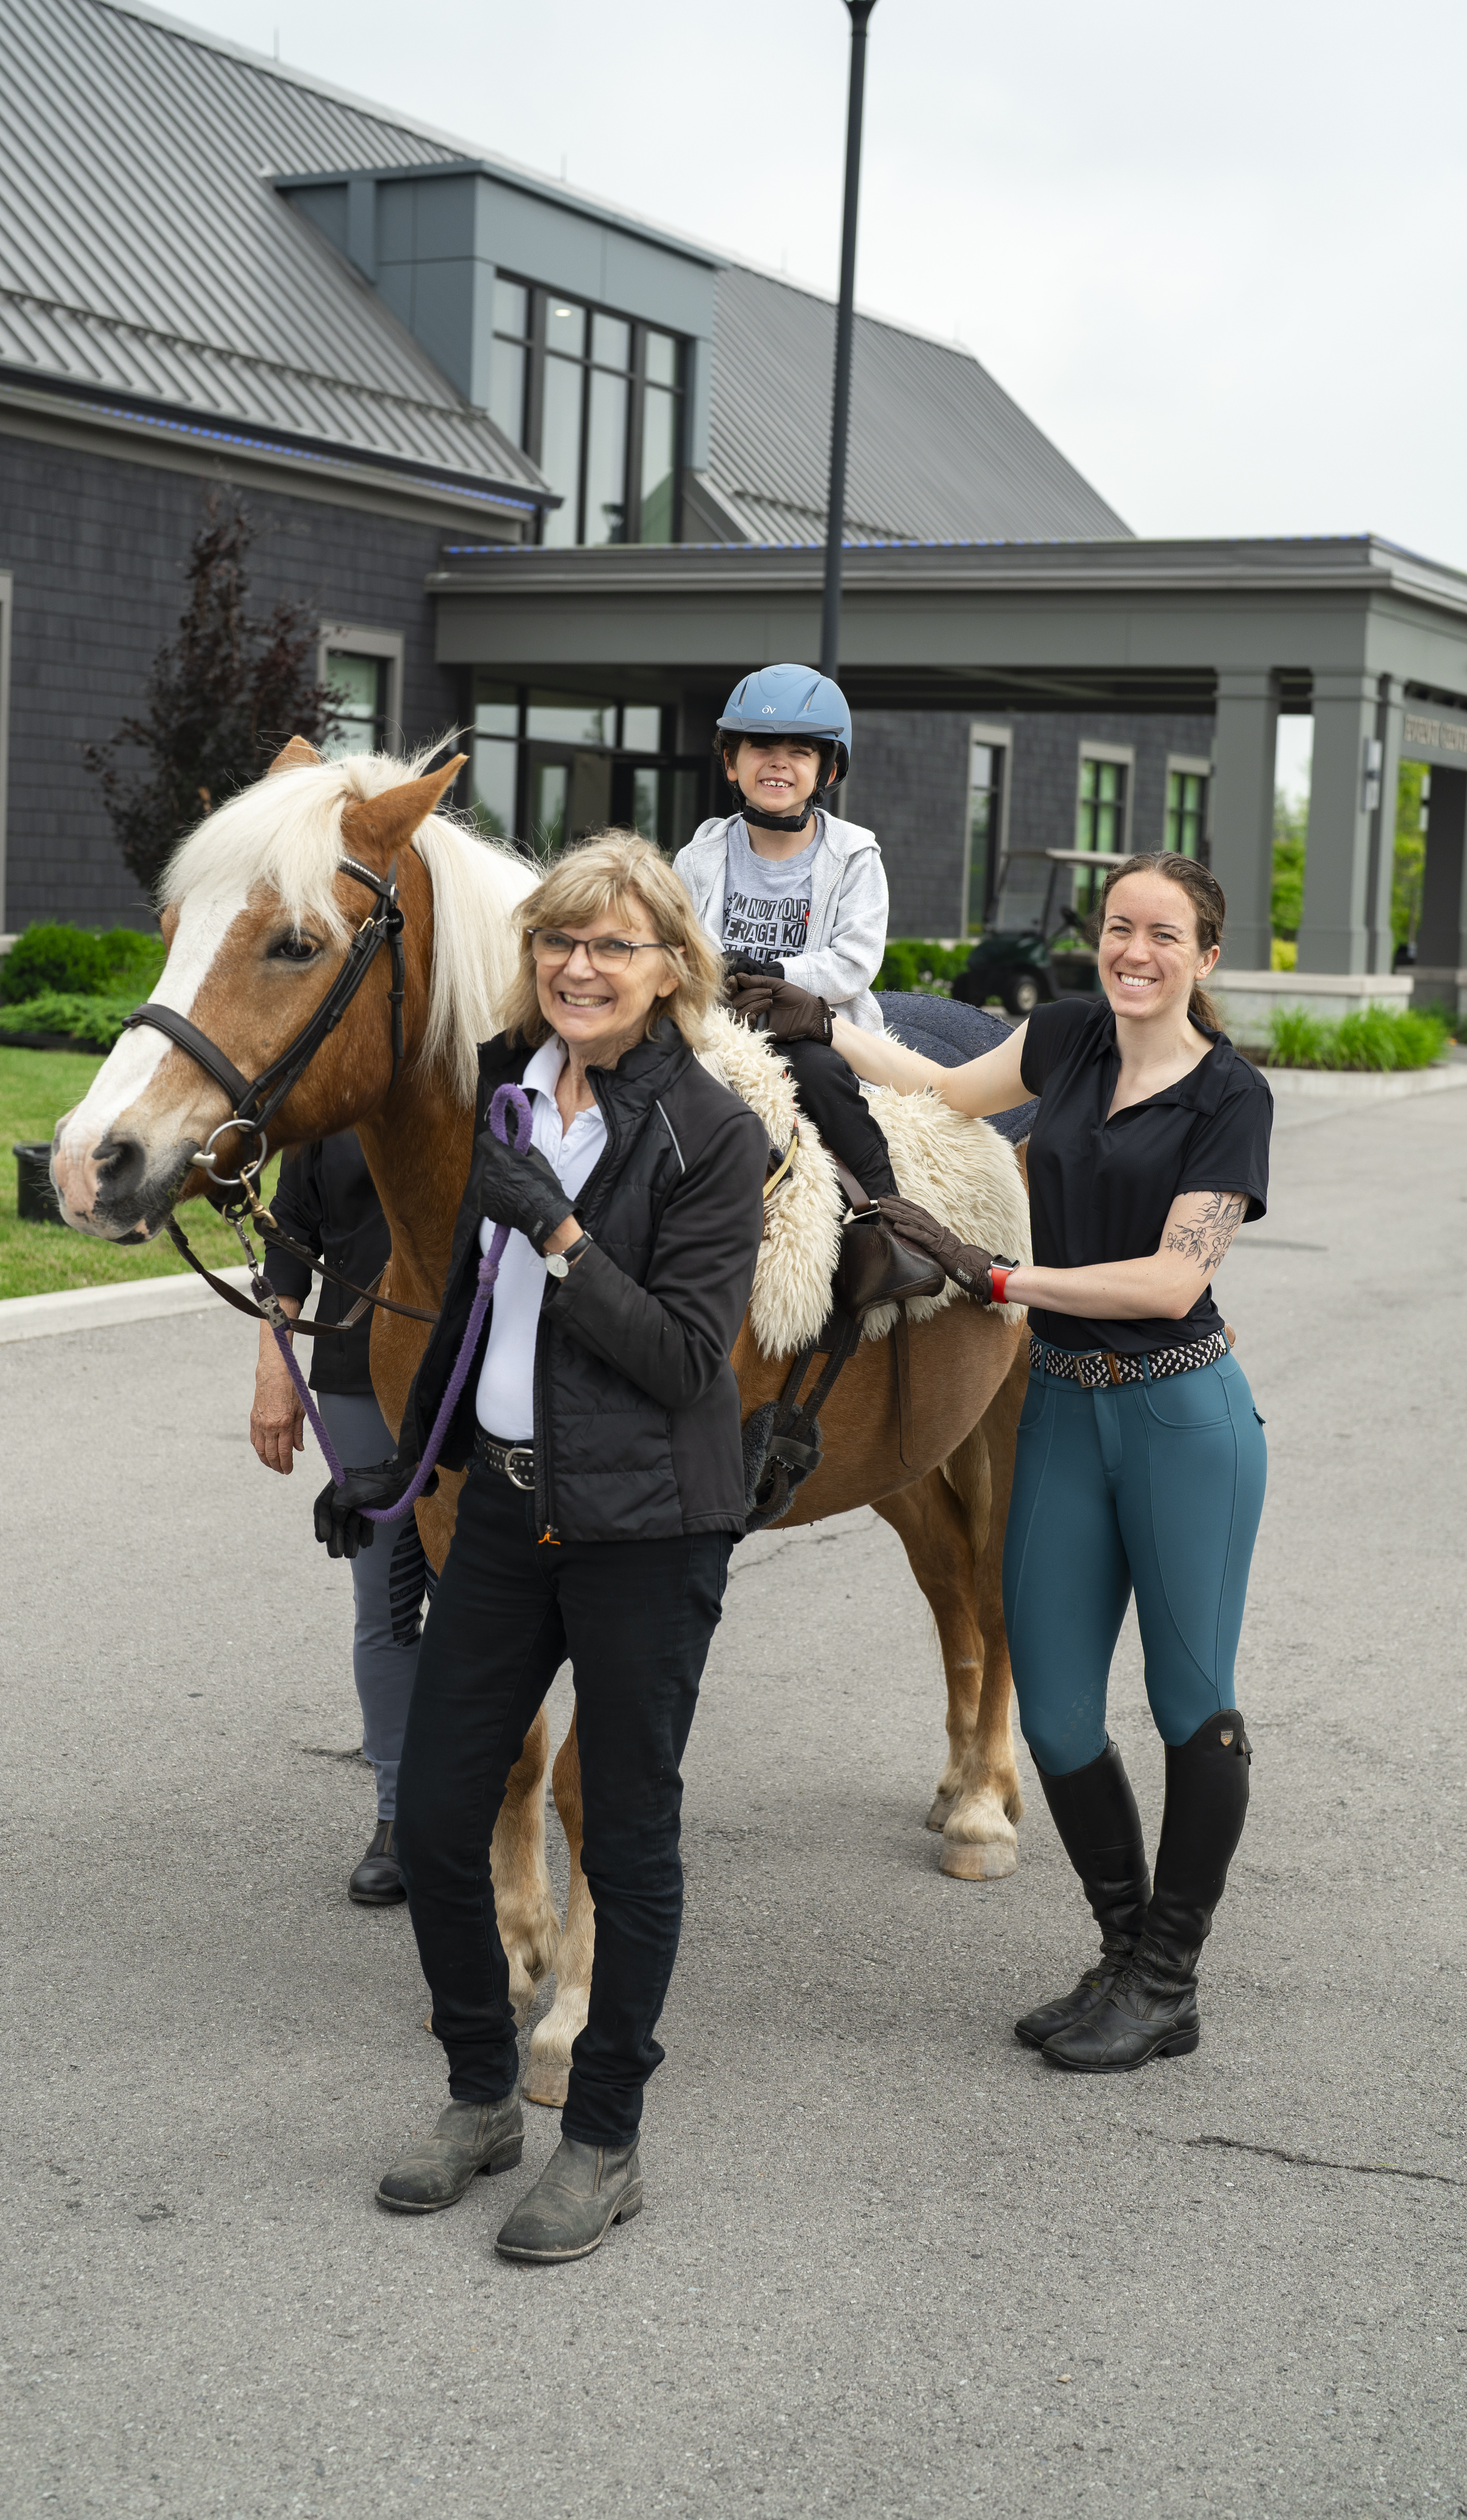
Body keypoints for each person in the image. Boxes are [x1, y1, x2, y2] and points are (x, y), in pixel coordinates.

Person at [313, 829, 766, 2263]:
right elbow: (465, 1303)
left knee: (625, 1845)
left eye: (613, 945)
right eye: (561, 941)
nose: (580, 965)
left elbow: (691, 1360)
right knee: (443, 1818)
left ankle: (604, 2141)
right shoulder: (510, 1089)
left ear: (671, 971)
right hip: (505, 1511)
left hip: (647, 1532)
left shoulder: (711, 1132)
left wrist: (565, 1236)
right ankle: (476, 2097)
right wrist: (407, 1463)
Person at [799, 852, 1271, 2073]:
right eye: (1120, 928)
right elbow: (947, 1090)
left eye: (1164, 935)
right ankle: (1124, 1958)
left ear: (1204, 958)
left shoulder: (1230, 1098)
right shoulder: (1066, 1039)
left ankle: (1167, 1974)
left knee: (1188, 1706)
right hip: (1062, 1401)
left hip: (1179, 1416)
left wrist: (1002, 1280)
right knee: (1058, 1715)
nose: (1136, 952)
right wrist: (831, 1033)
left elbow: (1175, 1279)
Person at [673, 664, 939, 1309]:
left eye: (801, 752)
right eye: (762, 748)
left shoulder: (854, 855)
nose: (779, 763)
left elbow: (854, 961)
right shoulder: (700, 855)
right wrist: (719, 974)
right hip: (720, 1024)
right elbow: (679, 945)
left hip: (813, 1025)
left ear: (828, 771)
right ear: (731, 763)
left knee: (818, 1074)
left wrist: (781, 976)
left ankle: (886, 1226)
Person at [250, 1132, 427, 1906]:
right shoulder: (335, 1103)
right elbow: (289, 1238)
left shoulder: (490, 1066)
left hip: (478, 1375)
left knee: (483, 1607)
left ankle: (486, 1807)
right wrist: (275, 1373)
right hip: (358, 1374)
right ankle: (398, 1816)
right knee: (383, 1600)